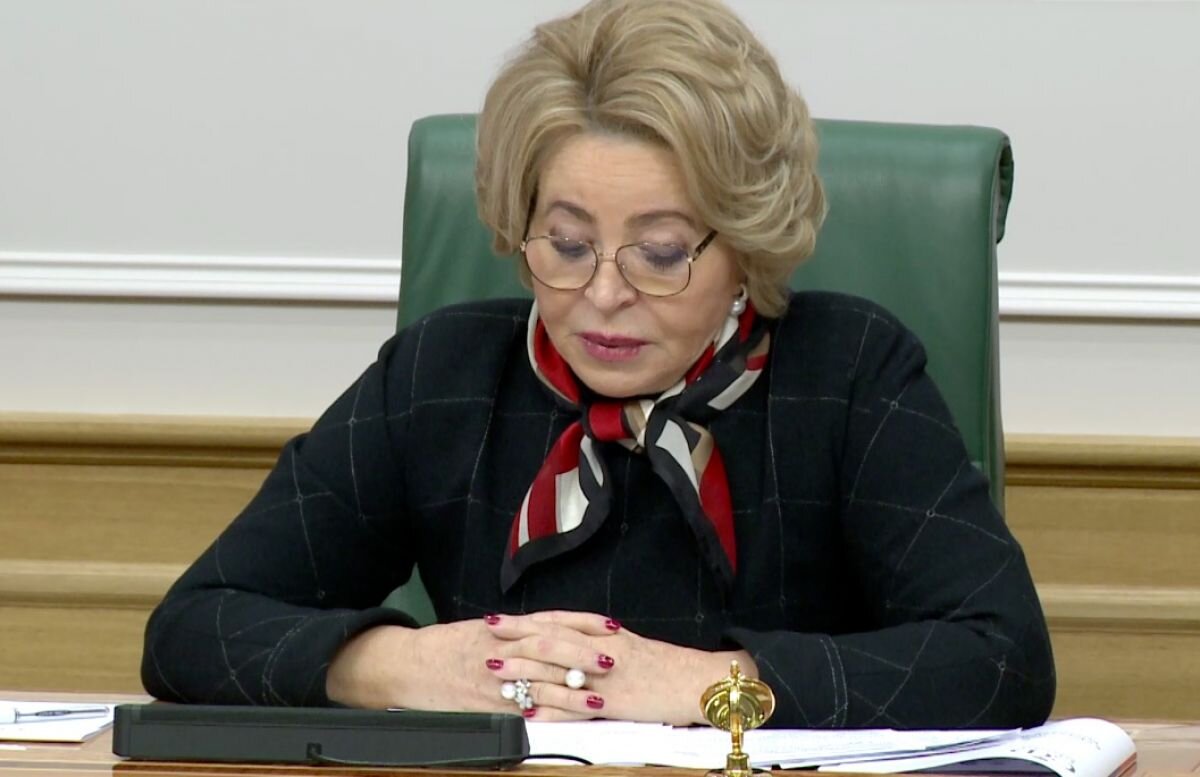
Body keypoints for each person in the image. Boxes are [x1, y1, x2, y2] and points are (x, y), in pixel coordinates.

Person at [142, 0, 1055, 729]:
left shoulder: (849, 371)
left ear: (746, 242)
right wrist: (412, 663)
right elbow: (193, 626)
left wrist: (705, 685)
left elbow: (1002, 656)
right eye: (568, 244)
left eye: (660, 253)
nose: (604, 294)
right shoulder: (443, 375)